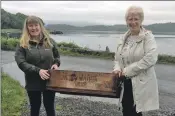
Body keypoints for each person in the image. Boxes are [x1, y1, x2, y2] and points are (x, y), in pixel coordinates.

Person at [112, 6, 159, 116]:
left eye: (136, 19)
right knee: (126, 109)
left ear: (141, 20)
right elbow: (117, 59)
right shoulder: (124, 38)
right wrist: (117, 69)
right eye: (130, 19)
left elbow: (151, 58)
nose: (133, 22)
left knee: (136, 111)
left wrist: (128, 70)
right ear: (126, 21)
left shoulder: (148, 37)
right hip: (126, 82)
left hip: (141, 84)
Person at [15, 16, 60, 116]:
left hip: (50, 80)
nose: (34, 28)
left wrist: (56, 64)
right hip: (33, 82)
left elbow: (57, 56)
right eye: (30, 25)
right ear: (27, 28)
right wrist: (38, 70)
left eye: (36, 25)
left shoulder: (50, 41)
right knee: (35, 107)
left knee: (50, 106)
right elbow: (21, 62)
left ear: (40, 26)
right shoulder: (22, 44)